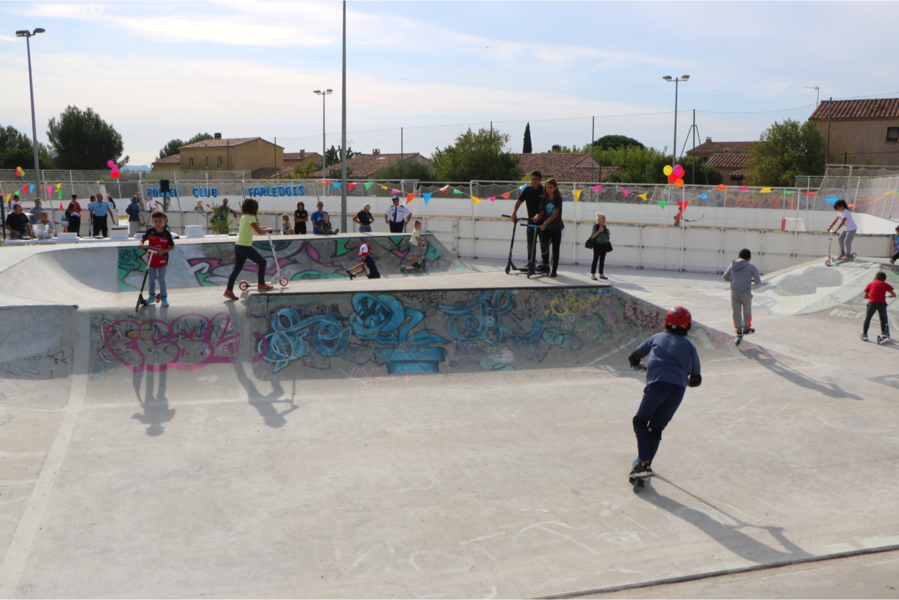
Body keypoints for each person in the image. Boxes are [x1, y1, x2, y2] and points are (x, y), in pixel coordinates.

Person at [627, 306, 702, 480]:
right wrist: (683, 378)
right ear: (687, 327)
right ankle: (645, 466)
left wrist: (640, 367)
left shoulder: (657, 337)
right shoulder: (690, 347)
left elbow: (634, 357)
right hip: (677, 391)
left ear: (667, 323)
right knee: (656, 429)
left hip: (657, 386)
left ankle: (642, 463)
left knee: (640, 421)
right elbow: (696, 380)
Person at [223, 199, 273, 300]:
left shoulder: (244, 217)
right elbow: (258, 231)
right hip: (245, 246)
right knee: (262, 262)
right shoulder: (251, 218)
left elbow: (254, 228)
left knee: (237, 269)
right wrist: (267, 230)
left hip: (238, 246)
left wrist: (264, 228)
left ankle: (228, 290)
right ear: (253, 208)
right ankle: (261, 284)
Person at [511, 171, 549, 272]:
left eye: (536, 179)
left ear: (540, 180)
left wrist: (540, 216)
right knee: (530, 243)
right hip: (531, 222)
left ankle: (546, 265)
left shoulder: (544, 190)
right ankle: (530, 262)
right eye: (532, 179)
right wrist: (514, 212)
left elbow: (546, 207)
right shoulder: (527, 190)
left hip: (542, 223)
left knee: (543, 243)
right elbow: (519, 201)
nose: (533, 181)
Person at [139, 211, 175, 307]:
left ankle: (163, 297)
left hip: (162, 261)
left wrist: (163, 251)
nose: (158, 223)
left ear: (164, 221)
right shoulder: (150, 231)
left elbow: (172, 246)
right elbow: (143, 239)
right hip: (151, 260)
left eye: (160, 221)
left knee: (161, 279)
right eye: (155, 221)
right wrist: (141, 244)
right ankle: (152, 296)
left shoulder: (166, 233)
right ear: (152, 221)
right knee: (151, 279)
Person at [722, 248, 762, 335]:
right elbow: (758, 282)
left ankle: (738, 329)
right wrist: (751, 281)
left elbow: (725, 277)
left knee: (736, 311)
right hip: (745, 292)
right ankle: (746, 328)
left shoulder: (732, 265)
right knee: (747, 311)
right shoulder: (752, 267)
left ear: (738, 257)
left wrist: (733, 280)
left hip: (734, 292)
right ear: (749, 258)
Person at [535, 178, 565, 278]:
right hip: (547, 228)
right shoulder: (544, 199)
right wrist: (538, 216)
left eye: (550, 187)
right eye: (547, 187)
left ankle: (554, 270)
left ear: (555, 187)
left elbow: (555, 214)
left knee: (555, 249)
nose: (548, 189)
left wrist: (544, 224)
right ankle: (546, 265)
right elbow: (543, 213)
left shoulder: (558, 199)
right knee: (543, 244)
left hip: (556, 227)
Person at [861, 272, 896, 342]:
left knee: (868, 318)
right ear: (884, 279)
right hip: (882, 304)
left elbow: (865, 296)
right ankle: (883, 333)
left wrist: (872, 297)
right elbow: (893, 294)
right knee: (882, 318)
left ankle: (865, 335)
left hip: (872, 303)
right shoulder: (885, 284)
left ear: (875, 278)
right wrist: (890, 295)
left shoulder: (870, 284)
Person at [589, 212, 610, 281]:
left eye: (605, 218)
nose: (604, 220)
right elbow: (593, 236)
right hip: (597, 244)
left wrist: (609, 234)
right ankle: (593, 274)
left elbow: (607, 238)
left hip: (603, 245)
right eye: (603, 218)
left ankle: (601, 274)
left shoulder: (605, 226)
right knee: (595, 259)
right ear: (599, 219)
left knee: (602, 260)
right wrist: (599, 231)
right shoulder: (596, 226)